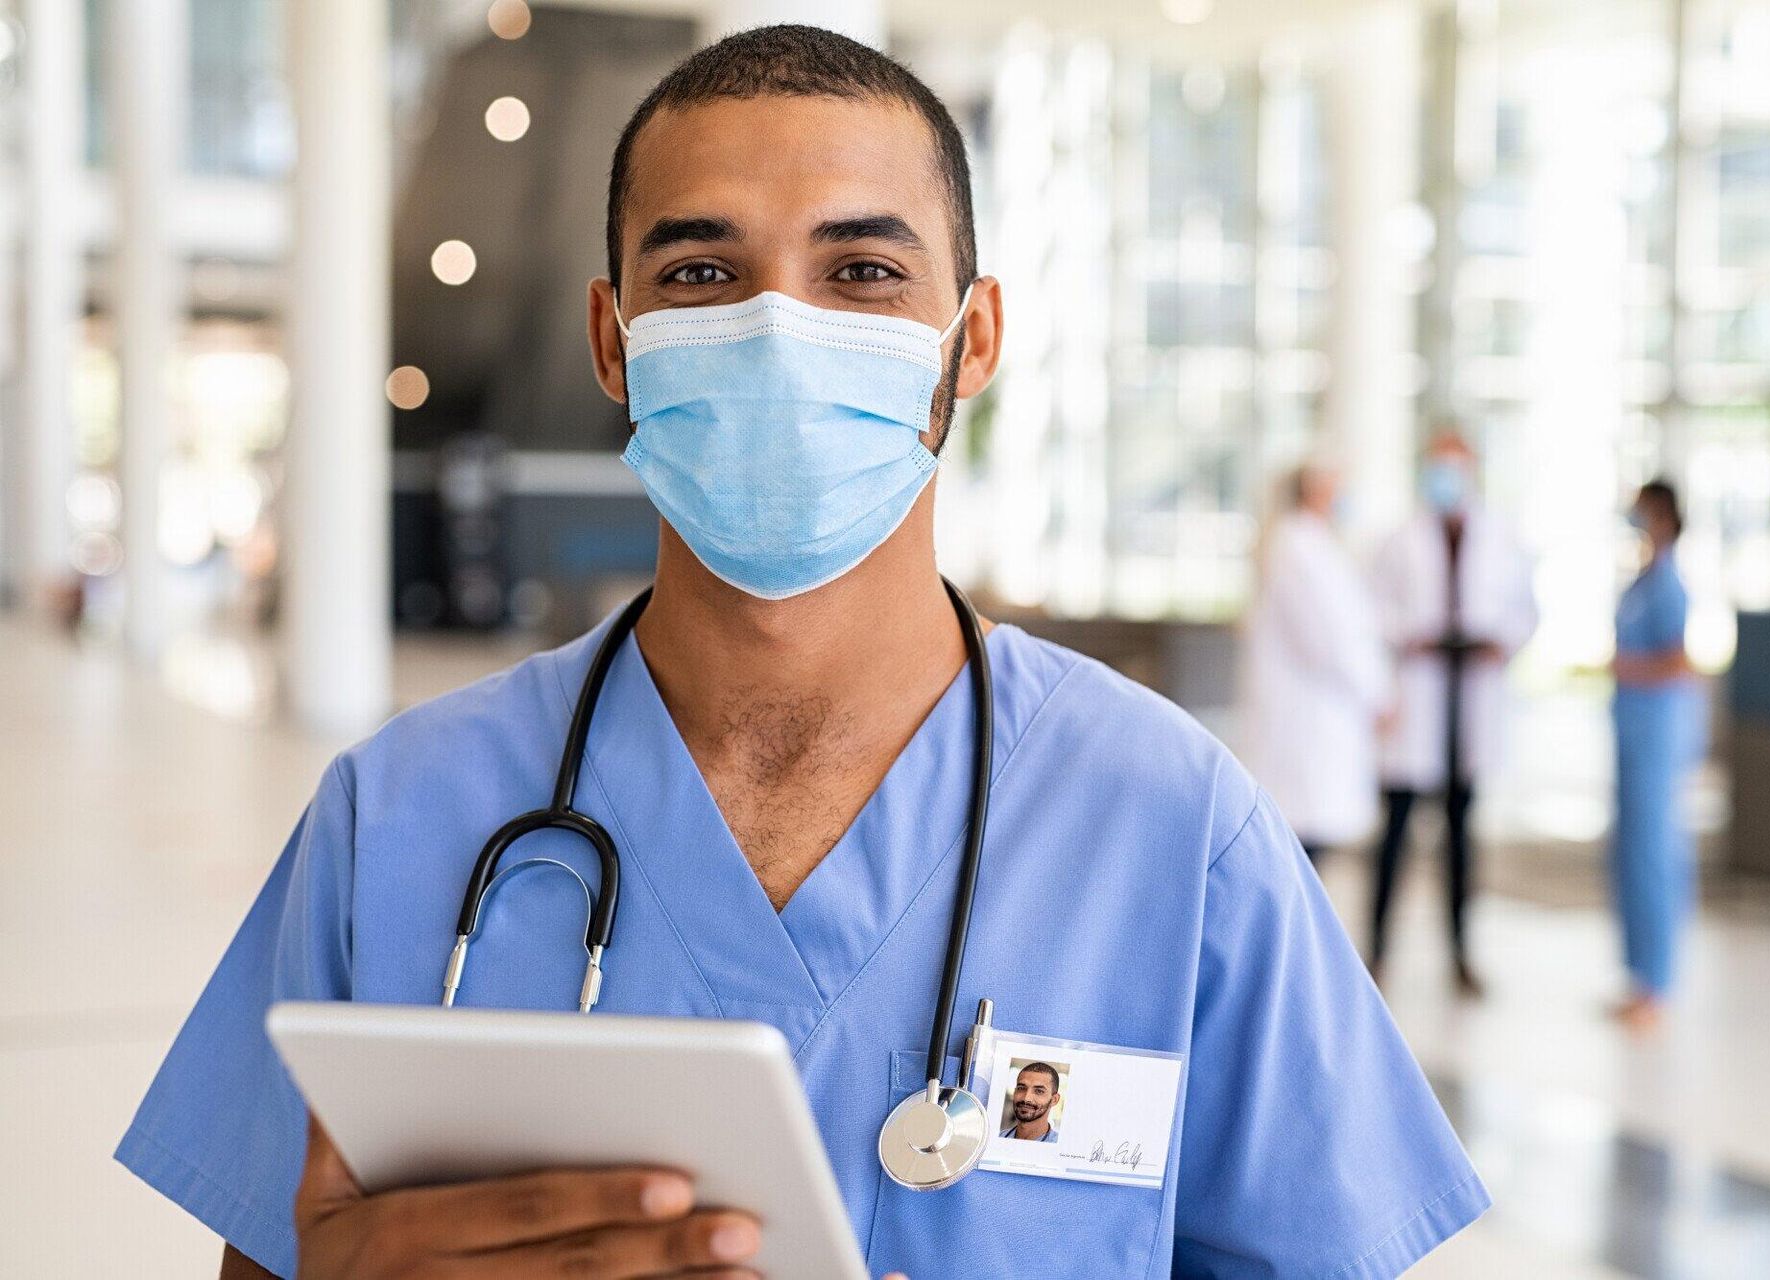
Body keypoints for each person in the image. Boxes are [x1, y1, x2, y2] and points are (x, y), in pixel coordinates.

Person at [116, 27, 1487, 1280]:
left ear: (976, 338)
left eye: (863, 272)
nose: (779, 329)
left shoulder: (1175, 831)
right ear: (615, 339)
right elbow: (280, 1250)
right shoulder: (400, 816)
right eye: (703, 272)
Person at [1369, 431, 1537, 995]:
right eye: (1437, 464)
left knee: (1461, 840)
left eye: (1454, 465)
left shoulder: (1500, 535)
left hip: (1471, 695)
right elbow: (1376, 610)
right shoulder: (1399, 540)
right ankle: (1377, 951)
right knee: (1394, 836)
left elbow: (1525, 610)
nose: (1445, 476)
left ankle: (1461, 954)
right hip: (1419, 694)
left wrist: (1500, 642)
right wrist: (1407, 637)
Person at [1242, 463, 1391, 864]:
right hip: (1306, 721)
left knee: (1309, 845)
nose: (1344, 495)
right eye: (1336, 485)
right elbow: (1329, 640)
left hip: (1321, 717)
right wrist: (1376, 695)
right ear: (1313, 490)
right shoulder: (1297, 547)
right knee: (1299, 847)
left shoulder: (1316, 545)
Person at [1609, 480, 1702, 1034]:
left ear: (1662, 515)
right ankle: (1638, 976)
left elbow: (1678, 662)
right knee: (1630, 854)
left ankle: (1658, 984)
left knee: (1655, 853)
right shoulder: (1643, 579)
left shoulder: (1669, 584)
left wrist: (1627, 670)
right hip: (1633, 729)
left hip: (1658, 734)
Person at [999, 1063, 1062, 1142]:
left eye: (1039, 1091)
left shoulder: (1062, 1146)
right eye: (1021, 1088)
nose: (1026, 1098)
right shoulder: (997, 1137)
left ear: (1054, 1100)